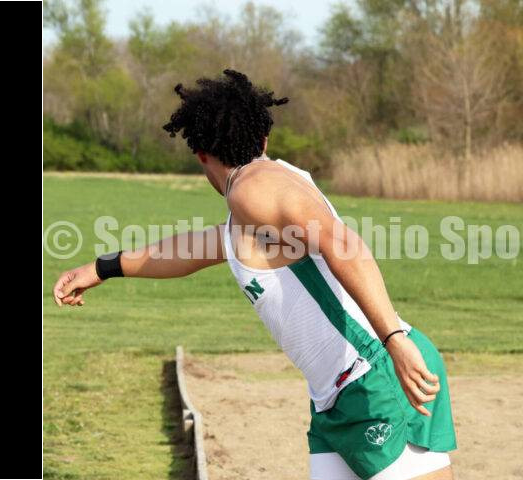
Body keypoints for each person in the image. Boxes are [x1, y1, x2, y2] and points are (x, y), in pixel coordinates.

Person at [52, 70, 457, 480]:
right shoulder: (255, 199)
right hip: (337, 397)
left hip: (375, 377)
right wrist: (104, 267)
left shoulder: (251, 189)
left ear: (201, 155)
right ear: (263, 138)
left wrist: (395, 341)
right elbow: (196, 249)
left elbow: (341, 244)